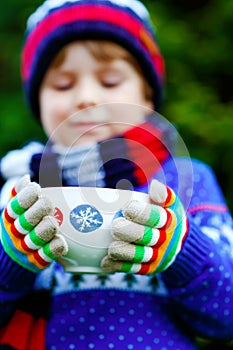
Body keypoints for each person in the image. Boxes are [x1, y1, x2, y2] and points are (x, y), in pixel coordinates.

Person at [0, 0, 233, 349]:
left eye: (109, 81)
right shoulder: (17, 193)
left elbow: (226, 316)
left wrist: (181, 251)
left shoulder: (187, 179)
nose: (86, 98)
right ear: (38, 102)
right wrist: (10, 259)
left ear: (148, 96)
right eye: (63, 85)